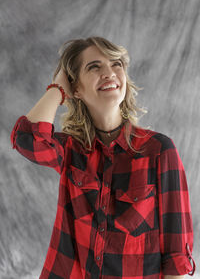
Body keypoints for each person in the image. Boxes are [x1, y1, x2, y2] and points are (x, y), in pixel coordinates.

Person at [10, 36, 196, 279]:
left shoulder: (159, 150)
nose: (109, 73)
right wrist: (57, 89)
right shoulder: (70, 150)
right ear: (76, 88)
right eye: (94, 67)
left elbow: (176, 256)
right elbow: (26, 138)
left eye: (116, 64)